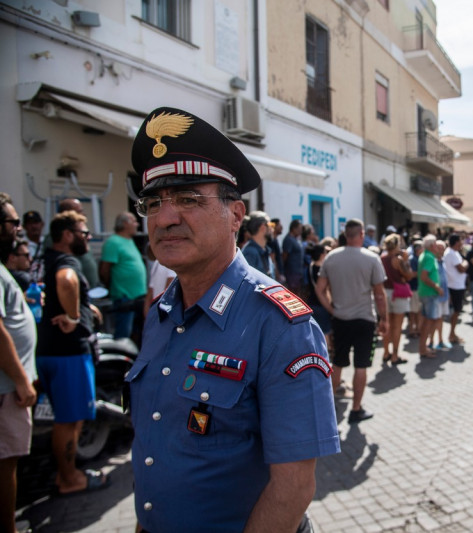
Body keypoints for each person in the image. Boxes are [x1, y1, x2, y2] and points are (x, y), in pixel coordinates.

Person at [127, 106, 339, 531]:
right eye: (153, 203)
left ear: (236, 216)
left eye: (188, 199)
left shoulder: (281, 326)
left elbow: (293, 487)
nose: (165, 218)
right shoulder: (162, 313)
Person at [37, 210, 109, 495]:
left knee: (65, 418)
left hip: (48, 351)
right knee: (69, 420)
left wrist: (81, 308)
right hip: (68, 353)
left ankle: (67, 474)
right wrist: (74, 316)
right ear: (67, 235)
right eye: (84, 232)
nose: (88, 237)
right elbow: (67, 281)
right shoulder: (66, 261)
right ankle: (69, 479)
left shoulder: (44, 258)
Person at [315, 219, 388, 423]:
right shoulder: (372, 258)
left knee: (337, 362)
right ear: (362, 234)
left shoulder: (331, 257)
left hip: (341, 319)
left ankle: (327, 408)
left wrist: (331, 308)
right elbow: (380, 295)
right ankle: (356, 409)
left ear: (346, 235)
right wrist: (385, 319)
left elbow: (319, 289)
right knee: (361, 366)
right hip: (365, 319)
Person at [0, 194, 37, 533]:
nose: (18, 229)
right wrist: (21, 380)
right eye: (13, 223)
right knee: (4, 462)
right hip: (5, 388)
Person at [99, 212, 147, 341]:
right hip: (124, 298)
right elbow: (105, 269)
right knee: (123, 334)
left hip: (138, 297)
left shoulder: (130, 240)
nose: (137, 224)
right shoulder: (113, 242)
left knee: (138, 332)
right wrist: (110, 287)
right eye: (134, 221)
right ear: (125, 223)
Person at [379, 233, 412, 365]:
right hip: (398, 294)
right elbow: (408, 276)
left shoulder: (381, 258)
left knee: (386, 324)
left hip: (384, 293)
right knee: (397, 327)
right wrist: (405, 261)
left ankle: (386, 352)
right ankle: (395, 355)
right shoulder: (398, 259)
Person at [416, 235, 443, 358]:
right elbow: (424, 276)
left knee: (427, 321)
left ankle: (424, 347)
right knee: (428, 322)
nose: (438, 247)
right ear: (432, 245)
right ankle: (423, 349)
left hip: (426, 293)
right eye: (436, 244)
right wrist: (436, 287)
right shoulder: (428, 257)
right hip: (429, 293)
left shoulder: (426, 255)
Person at [443, 233, 468, 344]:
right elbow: (461, 269)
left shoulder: (454, 253)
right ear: (456, 242)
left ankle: (452, 334)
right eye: (460, 241)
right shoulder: (451, 253)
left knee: (457, 311)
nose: (462, 243)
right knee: (456, 311)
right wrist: (466, 262)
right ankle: (451, 335)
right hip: (455, 286)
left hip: (457, 285)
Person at [241, 211, 274, 277]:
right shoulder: (250, 252)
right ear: (263, 227)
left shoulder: (264, 250)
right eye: (271, 225)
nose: (273, 229)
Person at [22, 210, 44, 282]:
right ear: (24, 227)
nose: (34, 226)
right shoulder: (21, 245)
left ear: (42, 224)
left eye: (36, 222)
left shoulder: (48, 243)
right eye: (30, 223)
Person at [282, 219, 304, 293]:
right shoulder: (288, 239)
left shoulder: (295, 239)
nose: (301, 231)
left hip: (297, 273)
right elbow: (285, 256)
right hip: (291, 273)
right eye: (299, 229)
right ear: (293, 228)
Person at [268, 218, 285, 282]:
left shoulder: (275, 240)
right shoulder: (271, 241)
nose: (281, 227)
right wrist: (278, 275)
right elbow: (273, 259)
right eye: (279, 225)